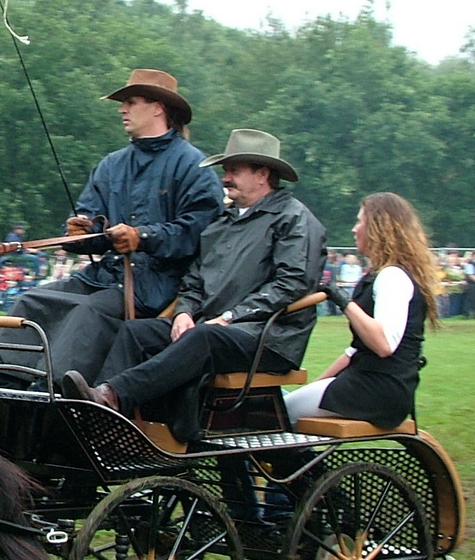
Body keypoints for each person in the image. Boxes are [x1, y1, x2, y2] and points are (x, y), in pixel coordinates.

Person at [61, 129, 326, 442]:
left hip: (268, 337)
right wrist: (184, 312)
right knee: (137, 332)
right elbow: (194, 279)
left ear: (262, 174)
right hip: (213, 330)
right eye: (225, 170)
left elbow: (291, 284)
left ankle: (111, 397)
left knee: (205, 337)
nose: (225, 178)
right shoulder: (222, 223)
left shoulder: (294, 219)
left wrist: (230, 317)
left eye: (234, 171)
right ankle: (109, 429)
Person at [0, 69, 222, 386]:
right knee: (32, 300)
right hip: (104, 276)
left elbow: (198, 231)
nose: (122, 109)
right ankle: (6, 388)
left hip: (156, 285)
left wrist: (143, 237)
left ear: (158, 107)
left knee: (89, 312)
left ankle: (53, 391)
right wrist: (78, 234)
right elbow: (90, 219)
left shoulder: (193, 166)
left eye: (131, 101)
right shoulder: (112, 165)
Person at [284, 193, 442, 428]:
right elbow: (354, 352)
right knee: (282, 404)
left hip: (376, 391)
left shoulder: (392, 276)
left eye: (360, 222)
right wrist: (316, 385)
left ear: (378, 228)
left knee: (278, 412)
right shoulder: (381, 276)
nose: (354, 229)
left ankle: (298, 463)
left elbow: (384, 344)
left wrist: (342, 300)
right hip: (371, 386)